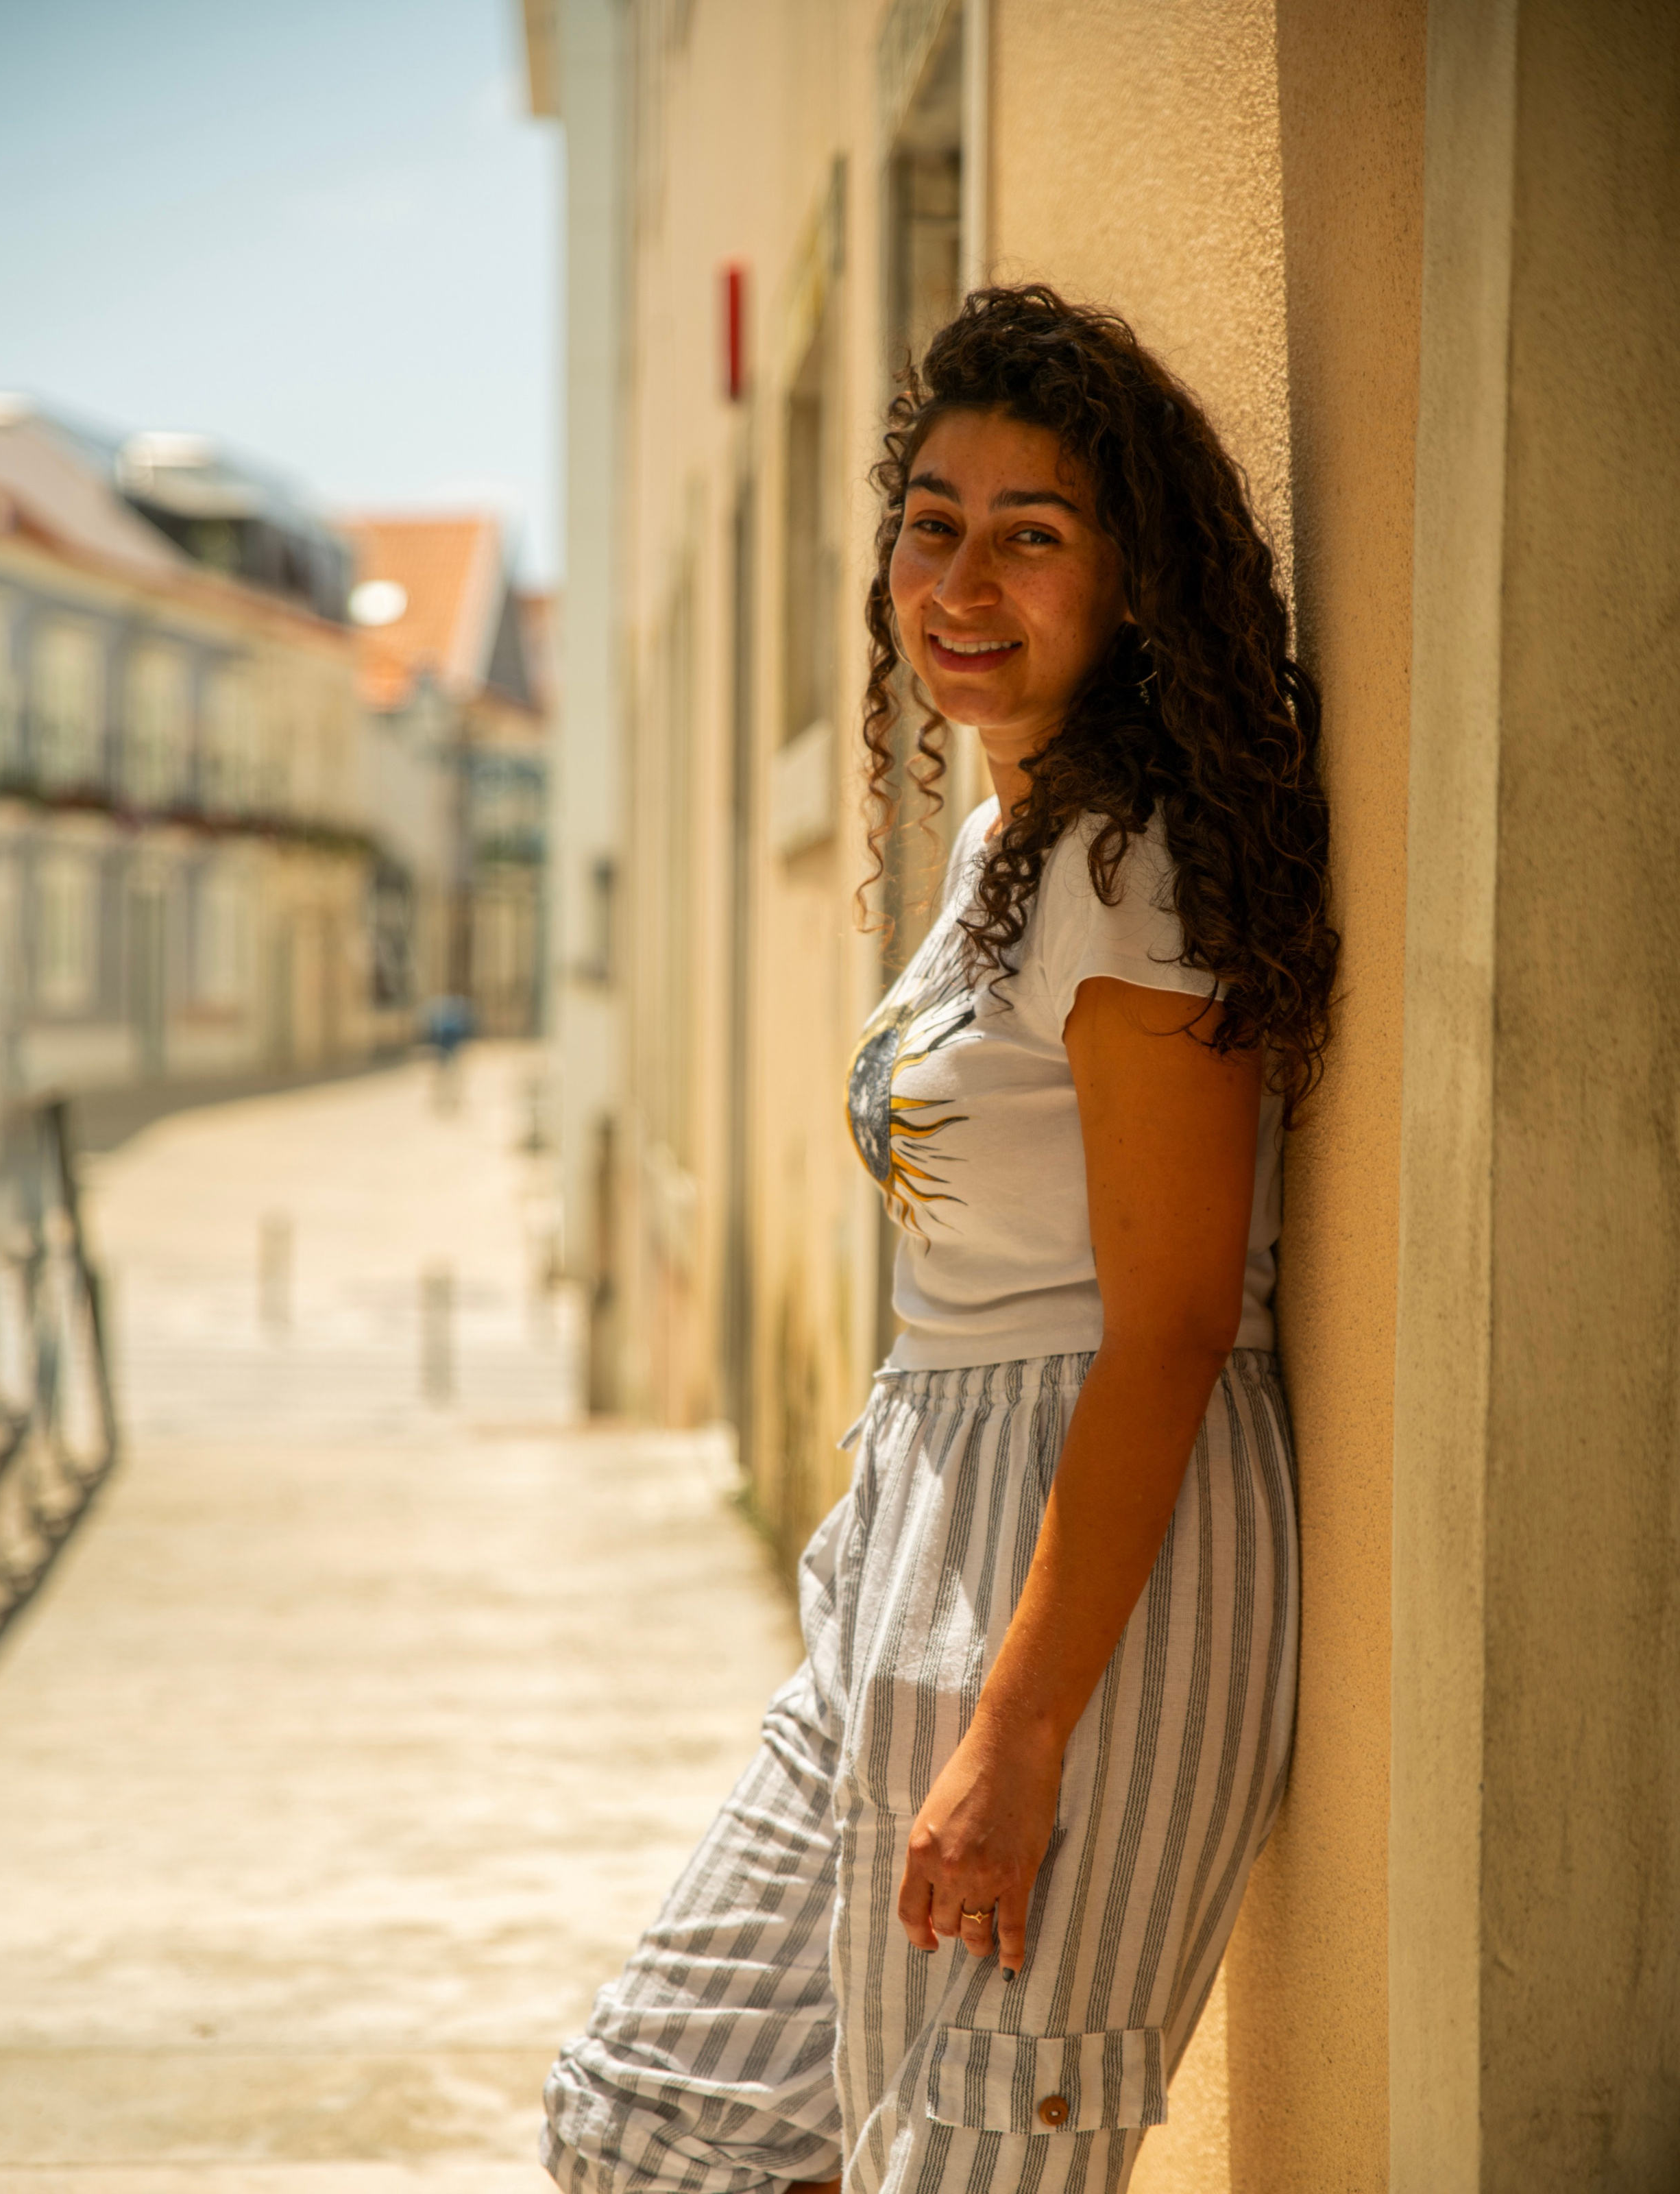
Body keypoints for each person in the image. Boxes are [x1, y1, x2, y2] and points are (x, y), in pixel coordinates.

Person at [543, 285, 1337, 2194]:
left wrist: (1021, 1732)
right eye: (933, 522)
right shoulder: (1010, 841)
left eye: (1032, 534)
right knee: (658, 2122)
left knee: (975, 2159)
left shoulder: (1127, 865)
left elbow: (1163, 1330)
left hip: (1090, 1572)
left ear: (1132, 584)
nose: (963, 578)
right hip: (925, 1540)